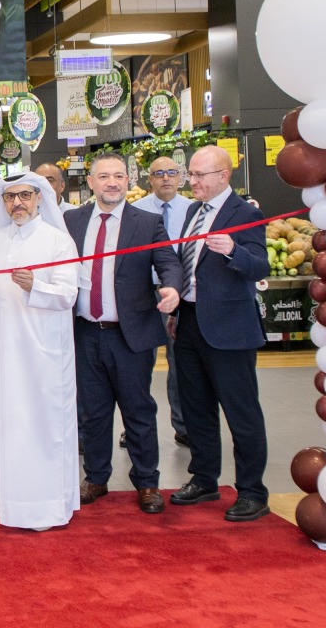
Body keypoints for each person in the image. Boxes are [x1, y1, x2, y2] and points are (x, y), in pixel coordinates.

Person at [63, 153, 183, 515]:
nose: (111, 182)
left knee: (138, 410)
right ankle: (96, 478)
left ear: (129, 181)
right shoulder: (71, 221)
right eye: (104, 176)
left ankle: (147, 482)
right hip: (84, 332)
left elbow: (168, 262)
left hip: (130, 334)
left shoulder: (146, 223)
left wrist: (172, 289)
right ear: (91, 182)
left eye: (118, 176)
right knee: (92, 412)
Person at [0, 172, 80, 531]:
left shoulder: (58, 242)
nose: (17, 203)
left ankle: (45, 506)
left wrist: (37, 286)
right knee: (6, 423)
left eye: (25, 196)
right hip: (2, 353)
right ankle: (6, 501)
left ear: (39, 199)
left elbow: (68, 295)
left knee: (42, 425)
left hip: (43, 354)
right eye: (10, 197)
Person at [169, 146, 271, 522]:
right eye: (190, 174)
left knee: (241, 412)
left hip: (230, 329)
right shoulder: (194, 212)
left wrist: (232, 251)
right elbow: (187, 264)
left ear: (223, 176)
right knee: (195, 409)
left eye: (199, 175)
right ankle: (204, 477)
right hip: (190, 322)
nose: (191, 181)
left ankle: (252, 491)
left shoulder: (246, 214)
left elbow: (261, 265)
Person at [132, 155, 194, 447]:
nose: (166, 178)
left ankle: (183, 426)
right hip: (145, 294)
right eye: (159, 174)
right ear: (149, 179)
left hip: (182, 296)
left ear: (181, 176)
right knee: (138, 364)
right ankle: (134, 425)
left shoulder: (194, 211)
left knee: (179, 362)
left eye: (171, 172)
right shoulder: (135, 211)